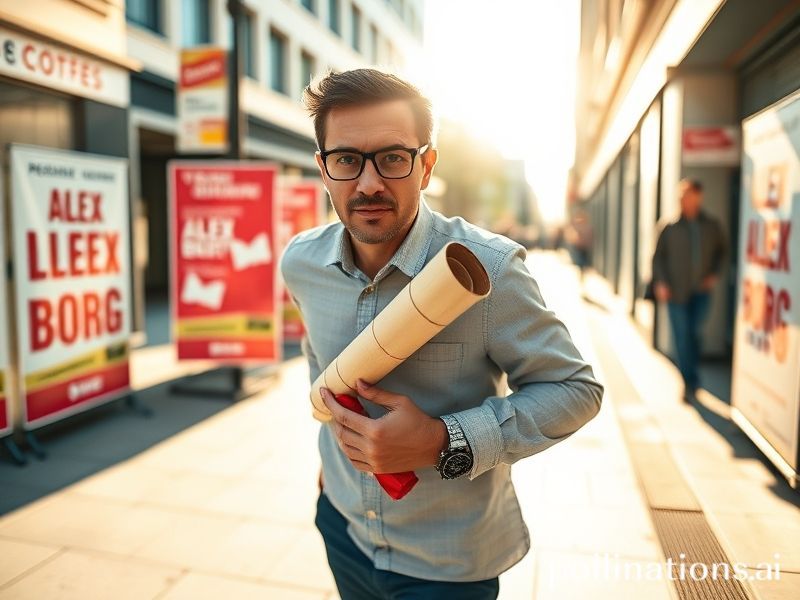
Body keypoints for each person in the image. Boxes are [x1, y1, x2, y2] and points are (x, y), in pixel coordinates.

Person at [280, 68, 603, 599]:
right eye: (346, 160)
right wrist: (329, 464)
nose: (368, 183)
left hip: (448, 564)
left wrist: (442, 440)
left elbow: (576, 390)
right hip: (342, 528)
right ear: (323, 168)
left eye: (392, 157)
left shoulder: (488, 268)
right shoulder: (302, 261)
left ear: (426, 166)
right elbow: (321, 368)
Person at [652, 178, 727, 402]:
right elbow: (657, 258)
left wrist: (714, 274)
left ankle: (692, 377)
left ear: (699, 197)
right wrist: (661, 283)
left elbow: (722, 252)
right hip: (676, 292)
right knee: (682, 337)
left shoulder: (711, 225)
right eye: (682, 195)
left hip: (702, 293)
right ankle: (688, 383)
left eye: (689, 195)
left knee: (694, 334)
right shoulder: (669, 226)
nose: (685, 200)